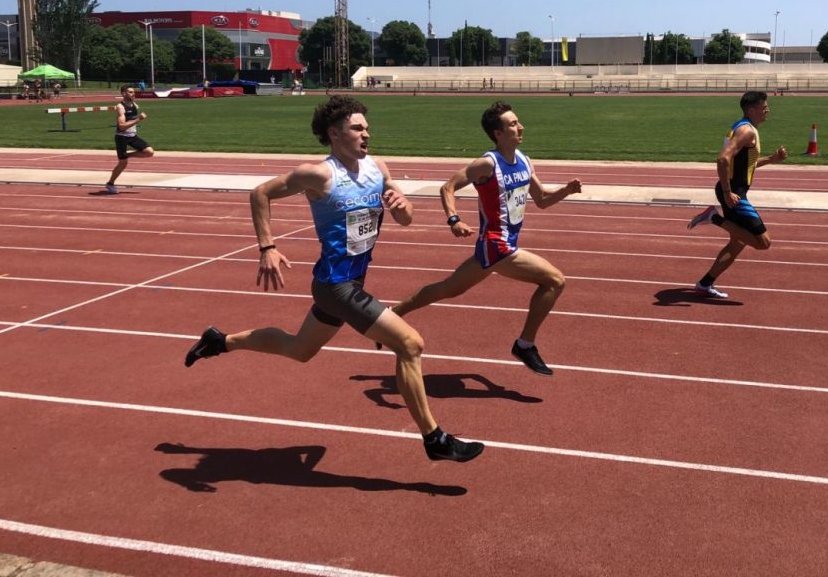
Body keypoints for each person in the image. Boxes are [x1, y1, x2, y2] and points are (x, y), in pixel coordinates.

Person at [183, 96, 483, 463]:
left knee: (299, 350)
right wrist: (267, 247)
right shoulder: (320, 175)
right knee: (410, 344)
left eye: (367, 128)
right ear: (334, 133)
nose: (366, 134)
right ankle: (434, 439)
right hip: (334, 285)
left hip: (350, 284)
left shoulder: (378, 168)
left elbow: (405, 219)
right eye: (357, 128)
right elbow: (260, 193)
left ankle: (220, 341)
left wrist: (403, 208)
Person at [390, 101, 582, 376]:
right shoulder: (487, 164)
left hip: (496, 247)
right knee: (555, 280)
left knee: (448, 289)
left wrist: (566, 190)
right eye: (513, 124)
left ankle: (391, 315)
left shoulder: (525, 161)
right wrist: (454, 219)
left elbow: (541, 200)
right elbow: (448, 187)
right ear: (498, 134)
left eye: (518, 122)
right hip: (496, 244)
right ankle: (525, 344)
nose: (520, 127)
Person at [687, 90, 788, 299]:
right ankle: (712, 217)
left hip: (732, 189)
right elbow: (723, 159)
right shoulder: (747, 132)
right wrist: (727, 193)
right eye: (764, 107)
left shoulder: (741, 127)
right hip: (734, 193)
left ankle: (704, 284)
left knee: (738, 242)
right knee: (763, 243)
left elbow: (744, 165)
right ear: (751, 110)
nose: (767, 110)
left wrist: (772, 159)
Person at [105, 85, 154, 194]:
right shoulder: (120, 107)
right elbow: (122, 126)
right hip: (122, 137)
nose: (133, 94)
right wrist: (138, 119)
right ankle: (110, 183)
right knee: (122, 163)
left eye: (133, 92)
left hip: (132, 136)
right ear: (123, 94)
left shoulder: (135, 105)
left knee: (149, 152)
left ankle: (127, 154)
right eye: (130, 92)